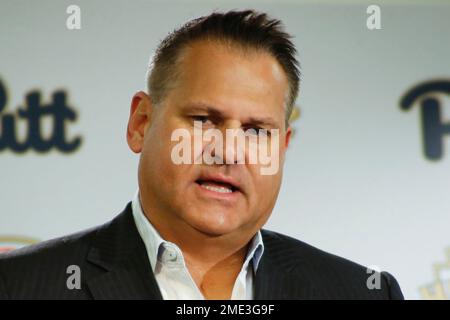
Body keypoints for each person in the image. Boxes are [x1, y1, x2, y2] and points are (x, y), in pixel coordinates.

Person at [0, 10, 403, 300]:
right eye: (203, 120)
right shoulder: (20, 286)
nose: (228, 151)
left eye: (256, 131)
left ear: (281, 149)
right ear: (141, 122)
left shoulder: (361, 293)